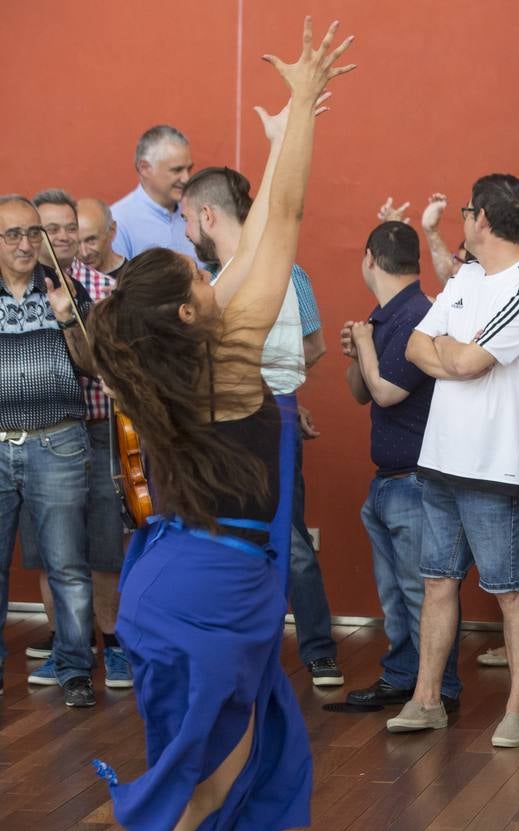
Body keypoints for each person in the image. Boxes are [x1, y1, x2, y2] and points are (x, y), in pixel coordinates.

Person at [83, 19, 353, 831]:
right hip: (212, 589)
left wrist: (279, 138)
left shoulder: (167, 355)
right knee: (214, 788)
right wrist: (307, 103)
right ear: (192, 311)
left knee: (207, 785)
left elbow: (254, 229)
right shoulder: (229, 350)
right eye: (198, 274)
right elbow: (284, 223)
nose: (212, 269)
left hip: (165, 587)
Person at [387, 173, 519, 750]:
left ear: (481, 217)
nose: (463, 219)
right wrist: (449, 355)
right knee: (436, 582)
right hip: (439, 460)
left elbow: (470, 363)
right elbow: (418, 345)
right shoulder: (465, 278)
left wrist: (450, 355)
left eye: (465, 211)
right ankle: (426, 699)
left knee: (511, 591)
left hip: (496, 467)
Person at [180, 165, 343, 687]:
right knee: (278, 535)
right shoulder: (268, 271)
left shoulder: (228, 282)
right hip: (274, 410)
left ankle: (267, 654)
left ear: (207, 214)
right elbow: (308, 349)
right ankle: (290, 654)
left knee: (267, 536)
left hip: (252, 418)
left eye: (186, 218)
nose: (185, 232)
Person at [339, 221, 461, 708]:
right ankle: (401, 676)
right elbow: (359, 393)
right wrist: (357, 355)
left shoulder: (416, 314)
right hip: (387, 482)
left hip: (414, 482)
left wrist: (366, 347)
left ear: (369, 257)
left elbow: (387, 394)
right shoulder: (384, 315)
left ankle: (441, 691)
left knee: (422, 593)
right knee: (395, 596)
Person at [21, 189, 129, 691]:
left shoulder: (104, 289)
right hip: (39, 440)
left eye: (69, 228)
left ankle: (115, 647)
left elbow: (116, 363)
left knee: (104, 550)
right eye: (50, 229)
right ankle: (71, 647)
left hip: (99, 433)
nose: (62, 238)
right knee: (50, 551)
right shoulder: (18, 290)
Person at [0, 195, 96, 706]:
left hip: (56, 441)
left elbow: (93, 363)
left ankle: (76, 667)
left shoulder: (65, 287)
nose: (25, 244)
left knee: (67, 564)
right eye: (12, 234)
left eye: (32, 233)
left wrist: (66, 318)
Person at [110, 124, 198, 260]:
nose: (186, 178)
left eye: (189, 169)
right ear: (144, 168)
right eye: (177, 170)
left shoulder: (197, 213)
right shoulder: (119, 222)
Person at [76, 197, 126, 278]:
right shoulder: (65, 279)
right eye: (76, 243)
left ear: (111, 231)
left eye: (91, 240)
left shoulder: (135, 277)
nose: (84, 253)